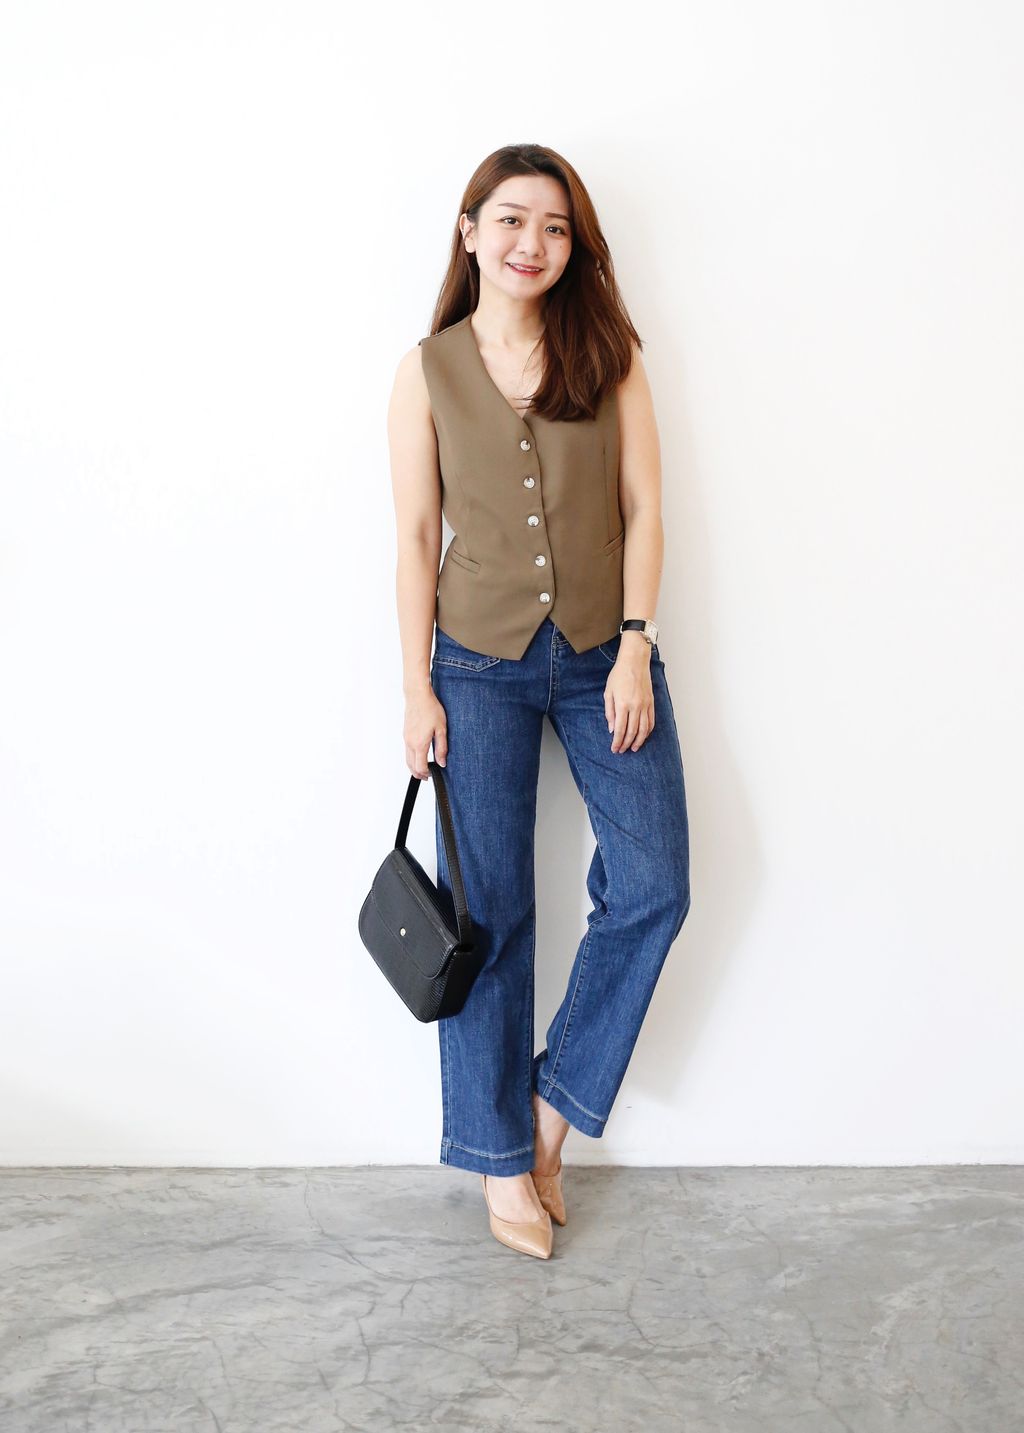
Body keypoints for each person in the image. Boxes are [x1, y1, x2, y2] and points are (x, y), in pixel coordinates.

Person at [387, 144, 690, 1259]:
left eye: (556, 227)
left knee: (654, 882)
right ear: (469, 232)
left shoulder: (608, 355)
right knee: (491, 915)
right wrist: (415, 685)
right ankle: (498, 1158)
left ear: (574, 246)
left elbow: (646, 509)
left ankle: (549, 1113)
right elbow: (416, 537)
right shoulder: (425, 372)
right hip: (475, 665)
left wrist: (636, 645)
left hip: (607, 655)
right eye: (511, 220)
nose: (533, 243)